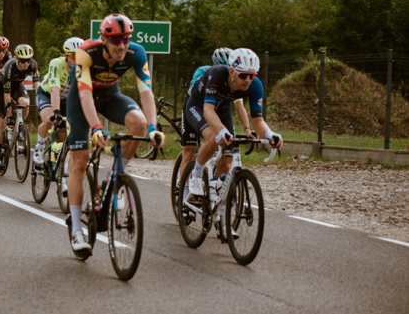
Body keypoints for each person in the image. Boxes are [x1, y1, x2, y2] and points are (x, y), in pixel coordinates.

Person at [66, 14, 165, 257]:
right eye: (116, 40)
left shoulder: (136, 52)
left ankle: (116, 174)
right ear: (104, 39)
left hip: (111, 96)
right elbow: (85, 95)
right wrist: (97, 126)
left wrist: (153, 127)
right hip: (80, 101)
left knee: (139, 123)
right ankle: (77, 229)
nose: (122, 45)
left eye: (126, 39)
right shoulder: (86, 53)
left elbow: (146, 92)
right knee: (79, 162)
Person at [183, 48, 283, 234]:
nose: (247, 80)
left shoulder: (255, 85)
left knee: (227, 166)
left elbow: (258, 121)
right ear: (231, 71)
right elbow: (207, 110)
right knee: (213, 139)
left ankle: (222, 220)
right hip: (198, 105)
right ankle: (196, 175)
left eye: (252, 76)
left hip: (221, 109)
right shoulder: (216, 74)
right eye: (243, 75)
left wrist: (270, 135)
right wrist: (221, 132)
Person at [178, 47, 255, 203]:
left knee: (225, 151)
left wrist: (247, 128)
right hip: (197, 106)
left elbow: (239, 106)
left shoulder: (235, 80)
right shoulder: (204, 72)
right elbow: (196, 99)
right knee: (189, 152)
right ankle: (184, 193)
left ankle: (218, 195)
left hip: (220, 110)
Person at [33, 37, 84, 187]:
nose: (77, 59)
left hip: (67, 100)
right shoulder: (56, 64)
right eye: (73, 56)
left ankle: (64, 177)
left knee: (67, 135)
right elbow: (55, 90)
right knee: (50, 120)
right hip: (47, 94)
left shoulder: (84, 68)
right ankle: (39, 147)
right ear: (66, 55)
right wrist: (56, 112)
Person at [0, 44, 41, 170]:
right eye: (23, 60)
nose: (26, 63)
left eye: (28, 60)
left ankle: (20, 127)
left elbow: (37, 85)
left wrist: (40, 101)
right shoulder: (10, 66)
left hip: (17, 85)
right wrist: (9, 117)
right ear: (16, 58)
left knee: (25, 103)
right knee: (1, 121)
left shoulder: (33, 64)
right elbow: (7, 97)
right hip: (2, 87)